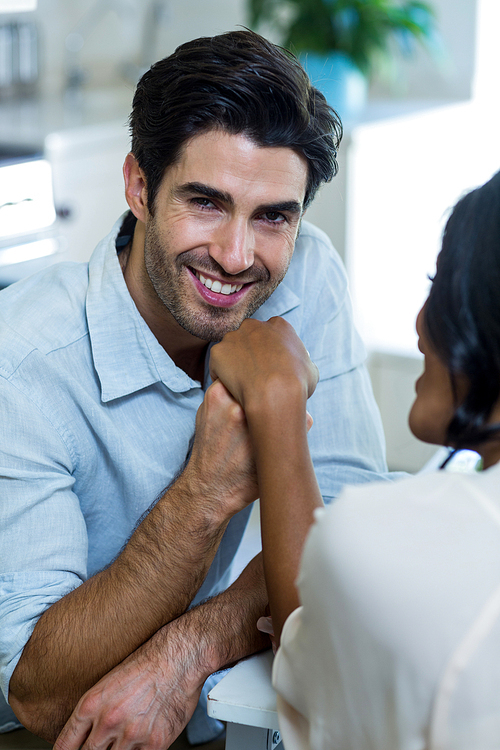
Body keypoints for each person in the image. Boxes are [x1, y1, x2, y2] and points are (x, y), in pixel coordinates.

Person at [0, 29, 396, 749]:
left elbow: (352, 551)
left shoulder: (308, 277)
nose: (237, 257)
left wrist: (187, 652)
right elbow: (40, 693)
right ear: (139, 186)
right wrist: (207, 492)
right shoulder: (21, 361)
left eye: (274, 215)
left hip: (245, 711)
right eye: (206, 203)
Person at [208, 168, 500, 749]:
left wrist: (278, 403)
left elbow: (306, 649)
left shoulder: (381, 537)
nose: (420, 327)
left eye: (438, 289)